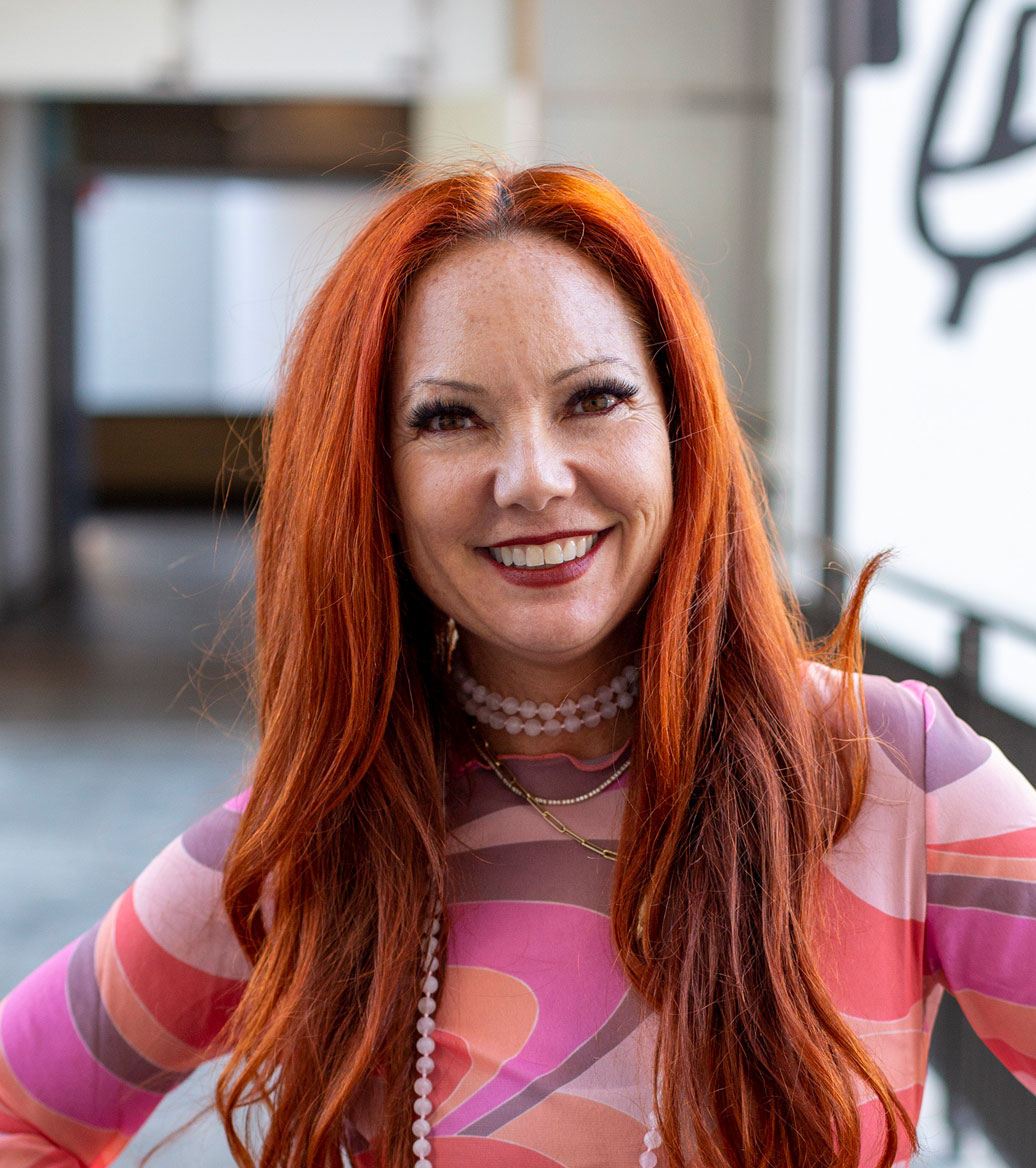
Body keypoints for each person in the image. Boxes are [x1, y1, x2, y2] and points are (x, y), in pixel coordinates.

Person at [1, 164, 1034, 1168]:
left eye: (593, 399)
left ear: (678, 430)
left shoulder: (891, 774)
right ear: (372, 474)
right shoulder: (314, 838)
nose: (534, 479)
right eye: (450, 418)